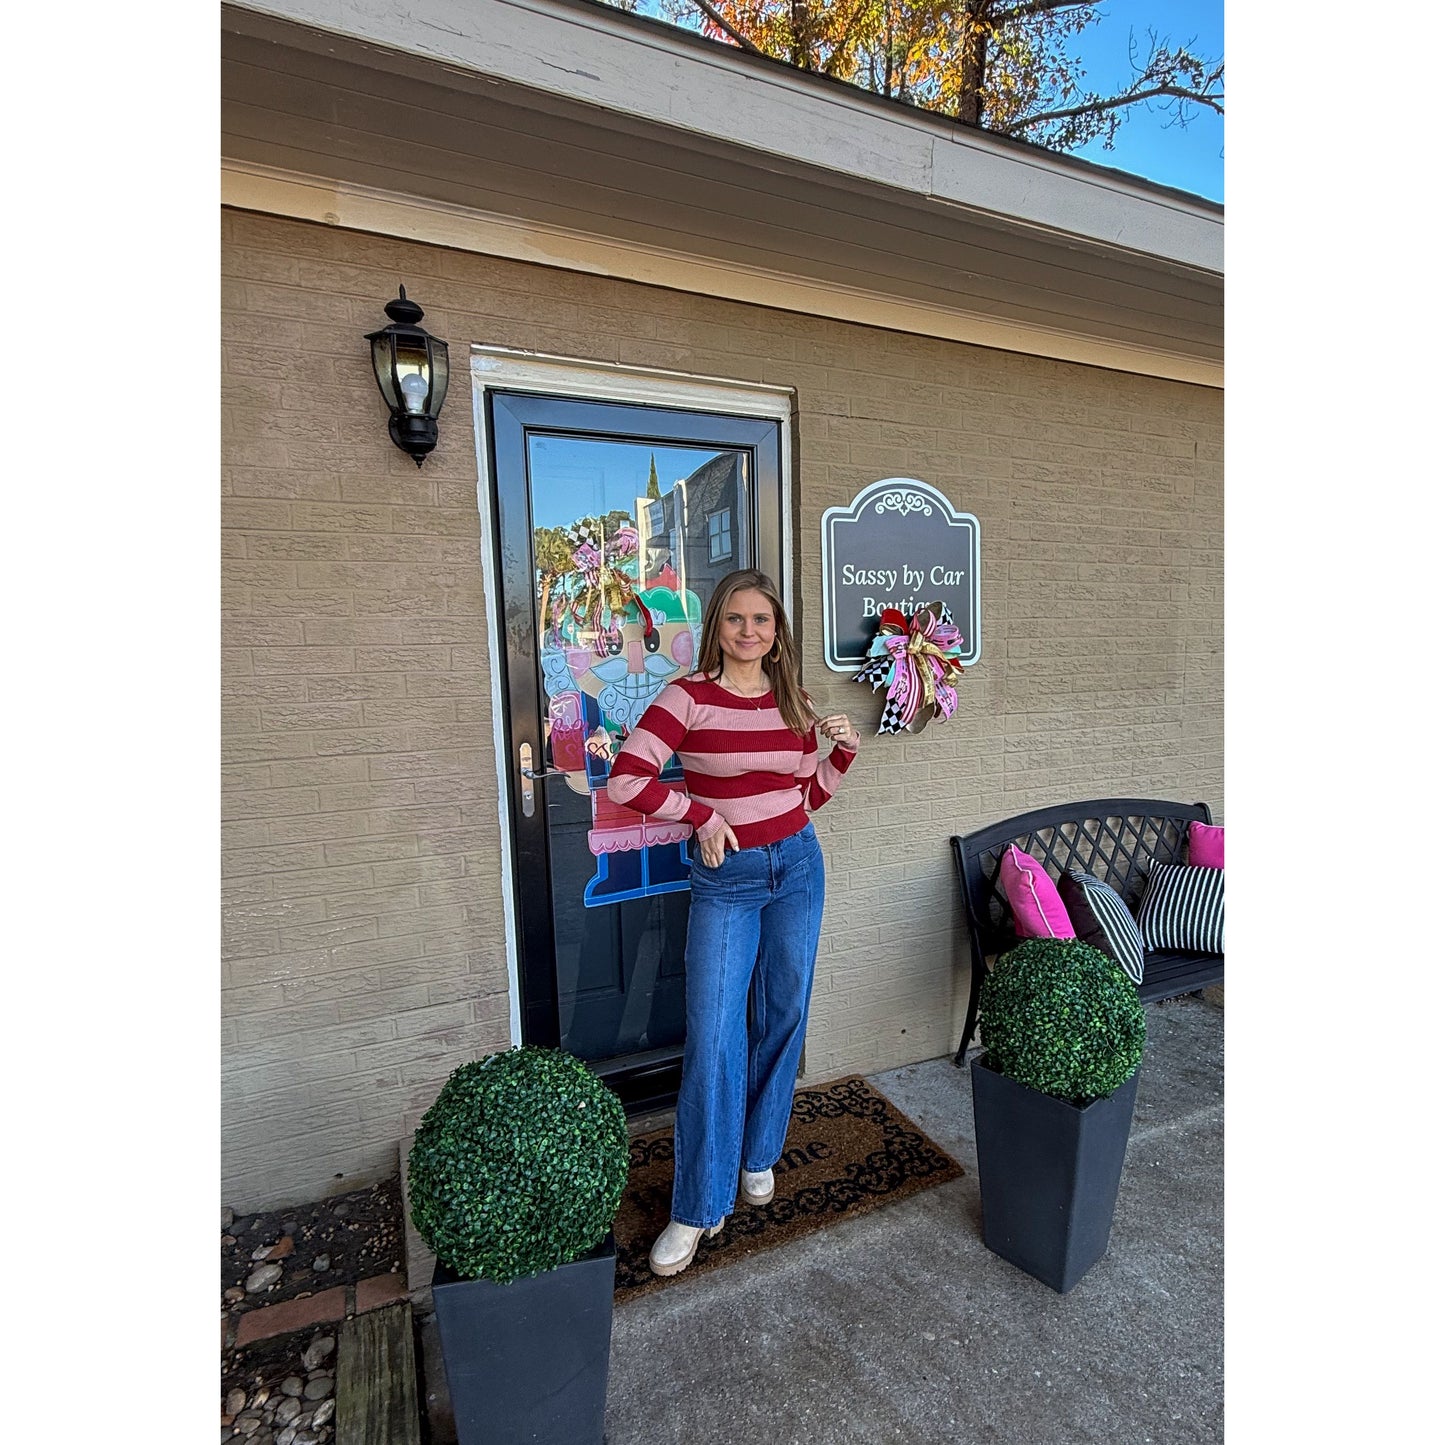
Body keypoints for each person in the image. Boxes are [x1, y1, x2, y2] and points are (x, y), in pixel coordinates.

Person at [606, 568, 861, 1277]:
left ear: (777, 631)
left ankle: (757, 1153)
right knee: (716, 1034)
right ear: (717, 624)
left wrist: (840, 753)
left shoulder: (792, 697)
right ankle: (696, 1204)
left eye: (762, 621)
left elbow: (802, 795)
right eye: (736, 620)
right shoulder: (686, 696)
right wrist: (699, 814)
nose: (750, 632)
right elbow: (628, 778)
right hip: (728, 880)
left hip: (796, 869)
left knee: (784, 1011)